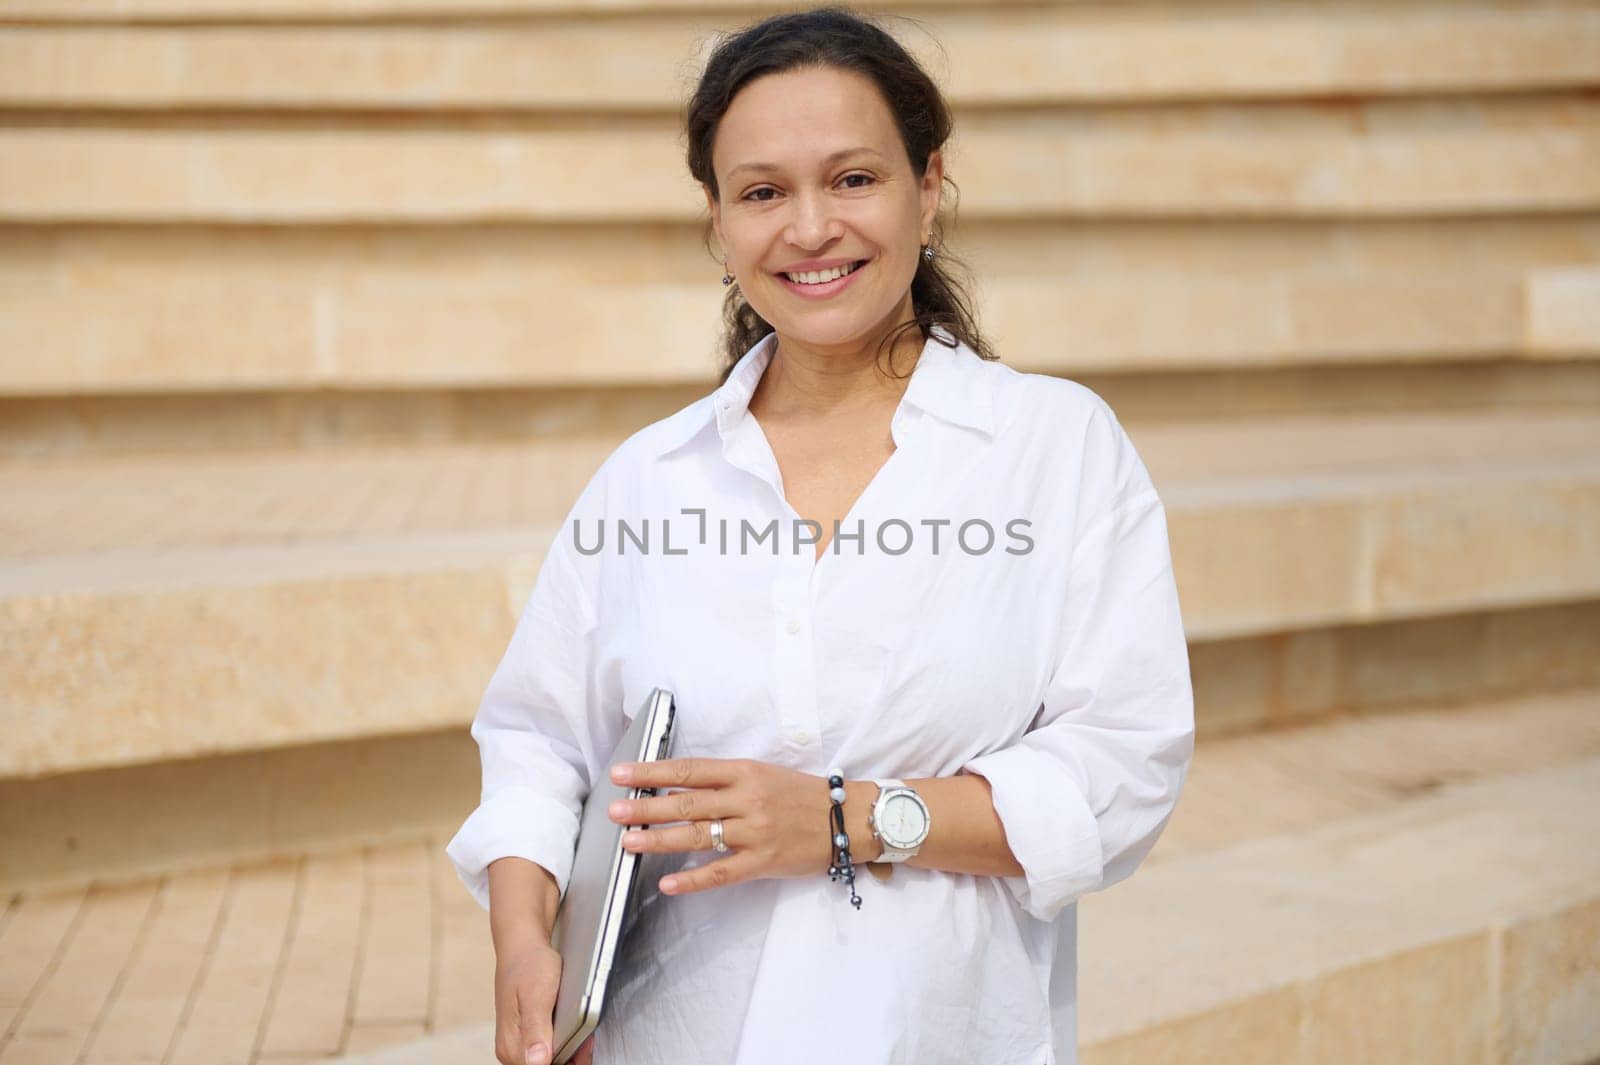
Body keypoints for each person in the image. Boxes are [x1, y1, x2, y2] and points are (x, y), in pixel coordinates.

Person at [445, 7, 1195, 1064]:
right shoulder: (649, 479)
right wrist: (523, 942)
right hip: (676, 1035)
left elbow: (1123, 768)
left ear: (928, 189)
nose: (808, 229)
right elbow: (537, 744)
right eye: (761, 193)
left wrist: (846, 821)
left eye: (852, 179)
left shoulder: (1054, 445)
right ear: (716, 222)